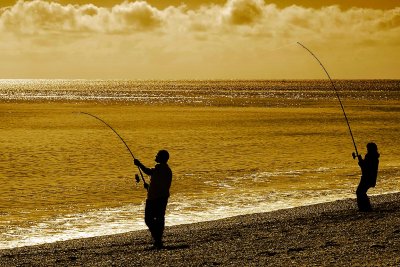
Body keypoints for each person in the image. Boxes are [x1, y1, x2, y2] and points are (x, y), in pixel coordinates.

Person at [134, 150, 172, 249]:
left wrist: (139, 164)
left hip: (154, 199)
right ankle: (158, 240)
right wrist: (148, 187)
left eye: (157, 155)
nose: (155, 156)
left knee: (149, 219)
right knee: (159, 218)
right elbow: (161, 184)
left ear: (161, 158)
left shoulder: (159, 168)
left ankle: (157, 240)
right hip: (162, 198)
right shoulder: (167, 170)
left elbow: (148, 172)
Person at [356, 143, 380, 212]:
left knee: (360, 192)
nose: (367, 149)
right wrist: (361, 161)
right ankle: (365, 207)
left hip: (366, 178)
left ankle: (364, 207)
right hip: (371, 178)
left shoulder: (369, 157)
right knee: (362, 192)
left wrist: (360, 161)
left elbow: (365, 167)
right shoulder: (375, 157)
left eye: (368, 148)